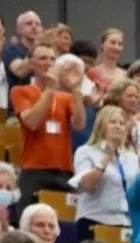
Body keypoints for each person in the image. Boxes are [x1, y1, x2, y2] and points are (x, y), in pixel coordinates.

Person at [9, 45, 85, 203]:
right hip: (34, 169)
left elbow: (79, 124)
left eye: (52, 59)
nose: (48, 62)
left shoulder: (65, 97)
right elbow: (32, 122)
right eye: (42, 58)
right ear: (31, 64)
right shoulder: (20, 91)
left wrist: (77, 89)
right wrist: (50, 89)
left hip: (64, 170)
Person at [71, 105, 139, 233]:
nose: (118, 126)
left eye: (122, 123)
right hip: (94, 219)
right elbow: (86, 185)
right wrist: (107, 158)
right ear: (101, 125)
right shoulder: (85, 151)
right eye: (112, 122)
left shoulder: (132, 157)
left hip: (126, 222)